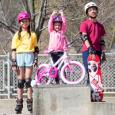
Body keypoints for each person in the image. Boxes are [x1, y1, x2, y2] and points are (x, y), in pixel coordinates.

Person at [11, 11, 39, 114]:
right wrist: (14, 62)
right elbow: (13, 49)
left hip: (29, 55)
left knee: (28, 81)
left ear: (29, 22)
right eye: (23, 21)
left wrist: (36, 59)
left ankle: (30, 102)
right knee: (20, 82)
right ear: (20, 23)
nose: (25, 23)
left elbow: (36, 49)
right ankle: (19, 103)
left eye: (26, 21)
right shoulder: (16, 35)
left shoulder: (32, 35)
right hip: (19, 56)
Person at [79, 2, 106, 101]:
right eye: (90, 10)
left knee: (96, 74)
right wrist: (90, 48)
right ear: (87, 12)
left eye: (94, 9)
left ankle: (96, 94)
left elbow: (102, 40)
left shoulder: (100, 26)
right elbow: (84, 37)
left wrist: (103, 52)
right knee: (90, 73)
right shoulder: (84, 24)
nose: (93, 11)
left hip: (98, 51)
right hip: (87, 51)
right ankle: (88, 94)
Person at [48, 10, 69, 84]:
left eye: (59, 25)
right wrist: (52, 16)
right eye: (56, 25)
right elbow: (50, 24)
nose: (57, 26)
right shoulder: (51, 32)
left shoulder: (62, 32)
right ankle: (56, 81)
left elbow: (64, 24)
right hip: (53, 52)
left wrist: (62, 15)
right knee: (55, 67)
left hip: (61, 52)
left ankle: (65, 80)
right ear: (53, 26)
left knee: (63, 66)